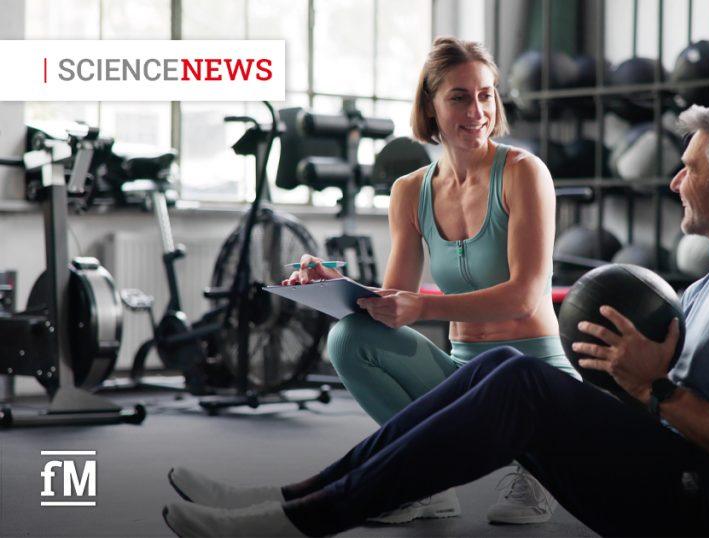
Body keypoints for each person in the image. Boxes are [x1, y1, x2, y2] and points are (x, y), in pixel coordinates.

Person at [163, 104, 709, 538]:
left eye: (689, 168)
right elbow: (668, 408)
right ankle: (293, 497)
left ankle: (301, 521)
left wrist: (655, 390)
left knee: (521, 385)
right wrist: (625, 382)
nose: (675, 181)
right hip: (689, 478)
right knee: (502, 367)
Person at [168, 36, 579, 526]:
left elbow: (525, 296)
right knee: (350, 336)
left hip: (534, 381)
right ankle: (427, 486)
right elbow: (391, 303)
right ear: (430, 105)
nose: (477, 110)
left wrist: (422, 308)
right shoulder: (411, 192)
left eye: (486, 94)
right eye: (459, 97)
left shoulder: (524, 173)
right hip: (461, 375)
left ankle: (531, 472)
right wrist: (333, 284)